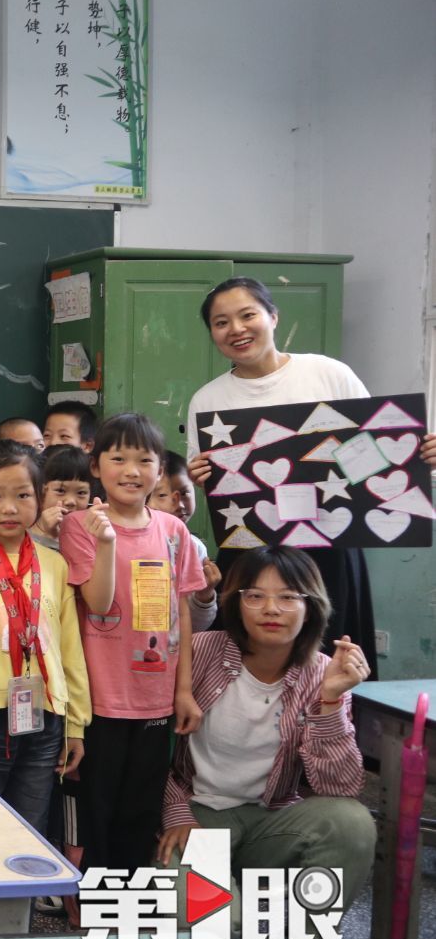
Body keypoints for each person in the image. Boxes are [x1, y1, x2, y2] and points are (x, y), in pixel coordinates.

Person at [185, 276, 436, 674]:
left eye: (247, 315)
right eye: (221, 322)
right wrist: (198, 474)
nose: (236, 329)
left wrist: (418, 455)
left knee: (331, 658)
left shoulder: (328, 373)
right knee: (246, 661)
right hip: (250, 549)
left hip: (332, 544)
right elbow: (204, 480)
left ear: (273, 316)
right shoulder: (208, 399)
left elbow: (375, 447)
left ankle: (333, 714)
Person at [157, 547, 374, 939]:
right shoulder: (200, 653)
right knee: (218, 917)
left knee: (351, 820)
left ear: (311, 606)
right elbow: (150, 749)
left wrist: (331, 702)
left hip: (271, 821)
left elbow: (340, 787)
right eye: (255, 596)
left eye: (288, 597)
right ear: (236, 603)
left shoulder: (322, 673)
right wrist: (175, 811)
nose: (271, 609)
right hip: (198, 818)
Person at [60, 413, 205, 874]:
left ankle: (132, 896)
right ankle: (94, 897)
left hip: (155, 696)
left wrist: (183, 690)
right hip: (99, 698)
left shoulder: (173, 531)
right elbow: (97, 603)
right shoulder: (80, 526)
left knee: (141, 809)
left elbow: (181, 612)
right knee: (96, 807)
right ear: (96, 467)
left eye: (144, 460)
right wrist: (105, 541)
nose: (131, 471)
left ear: (160, 470)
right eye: (118, 458)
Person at [0, 440, 89, 833]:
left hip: (47, 714)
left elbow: (70, 649)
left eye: (22, 495)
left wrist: (76, 724)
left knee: (30, 827)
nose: (9, 508)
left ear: (39, 497)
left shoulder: (55, 564)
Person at [151, 450, 220, 631]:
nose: (179, 504)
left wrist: (204, 595)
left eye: (184, 493)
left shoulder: (195, 548)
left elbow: (196, 627)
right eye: (163, 495)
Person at [30, 445, 93, 551]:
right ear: (41, 491)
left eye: (81, 493)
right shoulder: (25, 536)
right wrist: (49, 536)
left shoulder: (93, 533)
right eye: (60, 491)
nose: (70, 501)